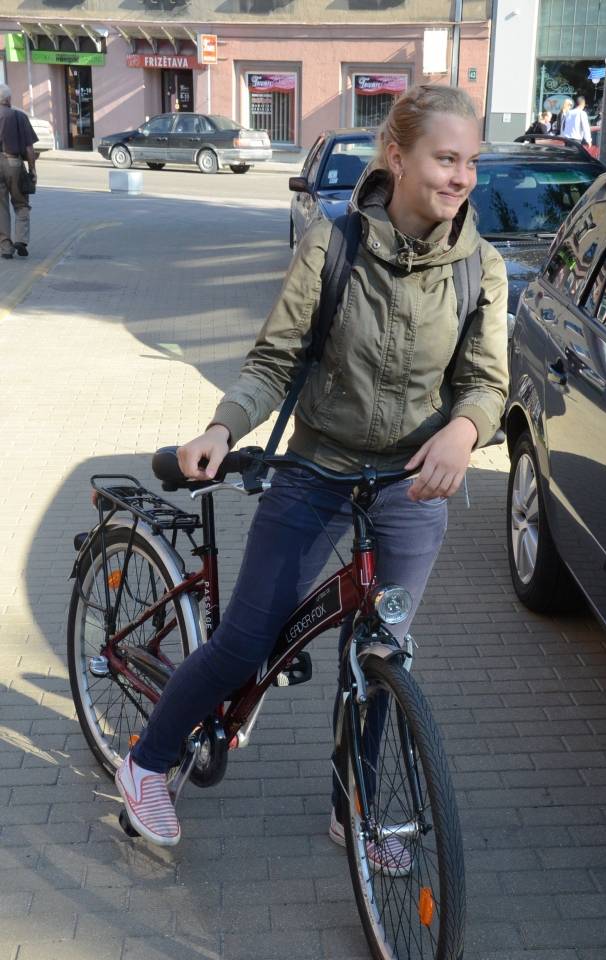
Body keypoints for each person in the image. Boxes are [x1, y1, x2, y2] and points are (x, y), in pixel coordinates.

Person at [114, 84, 509, 854]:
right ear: (398, 157)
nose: (462, 177)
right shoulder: (332, 247)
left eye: (471, 161)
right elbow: (274, 360)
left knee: (380, 657)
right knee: (247, 642)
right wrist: (223, 427)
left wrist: (464, 431)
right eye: (446, 158)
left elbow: (486, 381)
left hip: (410, 490)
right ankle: (146, 762)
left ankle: (353, 811)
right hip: (316, 472)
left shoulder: (479, 268)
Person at [0, 84, 37, 260]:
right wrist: (32, 169)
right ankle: (21, 240)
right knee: (21, 202)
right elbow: (29, 148)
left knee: (1, 207)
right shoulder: (19, 116)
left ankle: (6, 248)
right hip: (13, 162)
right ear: (8, 99)